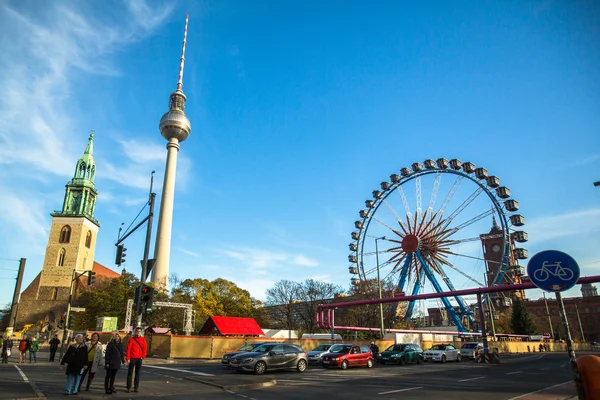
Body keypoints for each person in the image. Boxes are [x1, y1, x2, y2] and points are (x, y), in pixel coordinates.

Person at [125, 327, 147, 393]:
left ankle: (136, 387)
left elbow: (144, 349)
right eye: (137, 331)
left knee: (137, 373)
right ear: (135, 332)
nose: (138, 332)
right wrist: (128, 358)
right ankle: (128, 387)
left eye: (139, 331)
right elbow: (128, 349)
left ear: (141, 332)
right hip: (132, 358)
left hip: (139, 358)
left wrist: (142, 356)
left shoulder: (143, 339)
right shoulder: (131, 339)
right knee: (130, 373)